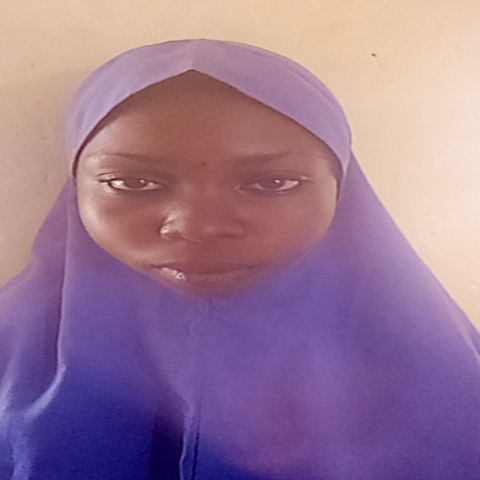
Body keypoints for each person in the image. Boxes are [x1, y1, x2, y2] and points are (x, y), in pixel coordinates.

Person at [0, 39, 479, 480]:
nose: (199, 225)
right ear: (76, 189)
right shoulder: (11, 351)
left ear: (342, 191)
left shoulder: (440, 368)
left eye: (272, 183)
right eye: (134, 183)